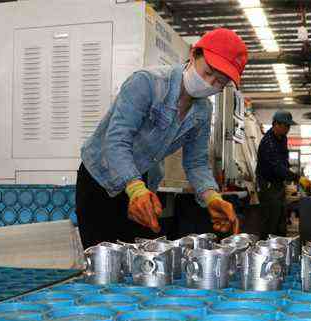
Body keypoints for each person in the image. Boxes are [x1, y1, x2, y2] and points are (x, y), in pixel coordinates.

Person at [76, 28, 248, 249]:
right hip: (100, 177)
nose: (209, 83)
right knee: (101, 255)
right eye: (208, 72)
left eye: (219, 82)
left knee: (137, 254)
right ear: (194, 54)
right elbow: (117, 140)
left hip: (142, 182)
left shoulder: (203, 111)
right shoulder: (147, 83)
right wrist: (135, 189)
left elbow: (196, 162)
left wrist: (212, 197)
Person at [256, 110, 299, 239]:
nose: (288, 129)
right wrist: (295, 177)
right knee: (271, 220)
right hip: (268, 185)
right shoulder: (268, 142)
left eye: (289, 126)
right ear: (276, 124)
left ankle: (281, 245)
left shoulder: (282, 138)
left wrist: (288, 174)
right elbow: (276, 167)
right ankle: (266, 246)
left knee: (281, 219)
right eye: (286, 126)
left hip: (278, 184)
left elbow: (283, 161)